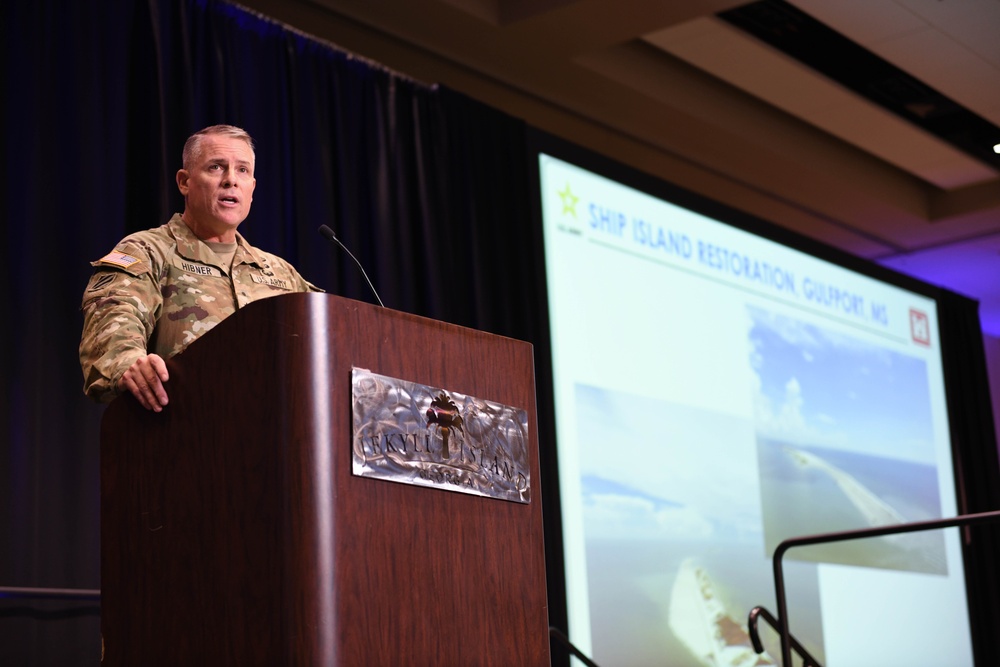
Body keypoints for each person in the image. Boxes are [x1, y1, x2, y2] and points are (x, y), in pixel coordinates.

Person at [80, 124, 321, 411]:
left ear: (252, 188)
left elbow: (328, 344)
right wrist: (130, 364)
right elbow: (114, 322)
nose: (231, 180)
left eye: (242, 170)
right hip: (186, 438)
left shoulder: (282, 273)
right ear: (184, 182)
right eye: (217, 167)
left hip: (277, 441)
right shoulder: (147, 252)